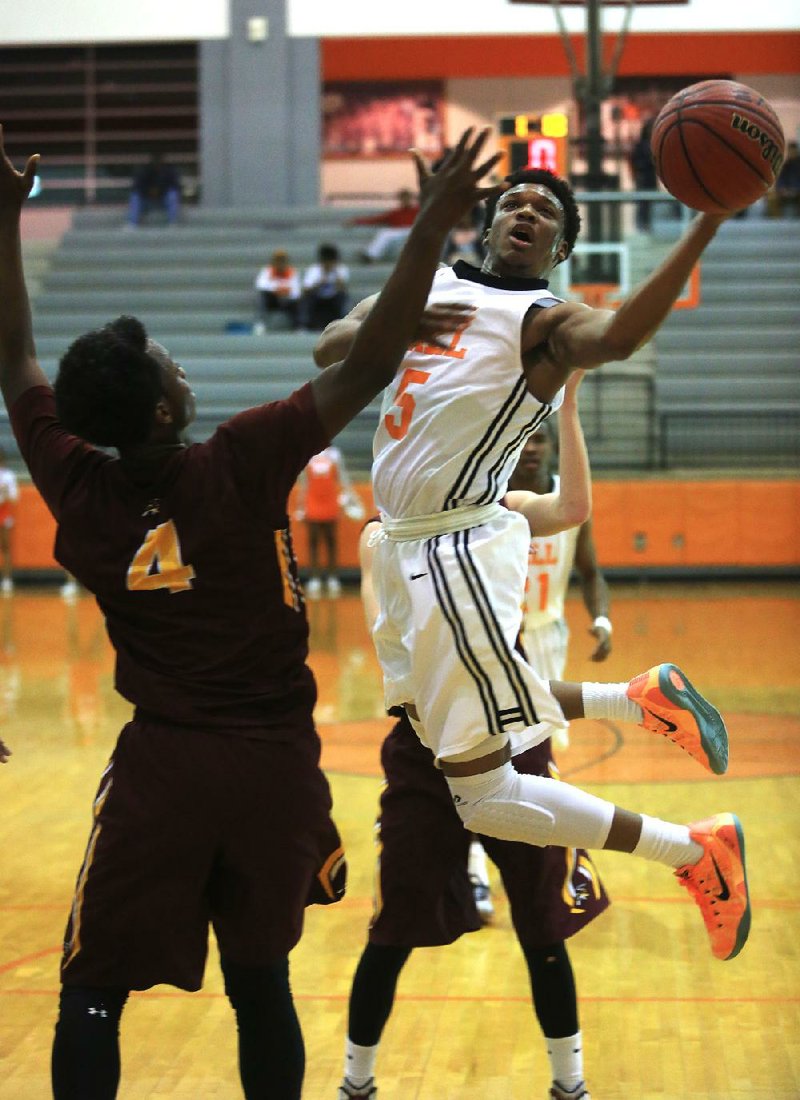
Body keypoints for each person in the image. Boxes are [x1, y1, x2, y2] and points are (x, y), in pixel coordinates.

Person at [0, 122, 503, 1100]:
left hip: (164, 764)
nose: (182, 368)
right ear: (158, 411)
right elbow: (370, 362)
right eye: (169, 367)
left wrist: (2, 221)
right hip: (271, 760)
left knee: (93, 993)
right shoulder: (240, 456)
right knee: (261, 981)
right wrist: (433, 225)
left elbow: (15, 352)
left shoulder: (76, 481)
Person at [314, 160, 751, 972]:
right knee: (442, 741)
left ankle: (695, 850)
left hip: (454, 545)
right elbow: (330, 345)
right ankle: (637, 701)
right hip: (397, 549)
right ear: (485, 223)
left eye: (545, 210)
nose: (525, 210)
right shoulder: (433, 286)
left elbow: (617, 338)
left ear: (559, 245)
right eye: (512, 200)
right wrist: (406, 313)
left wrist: (708, 221)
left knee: (481, 793)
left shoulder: (544, 320)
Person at [339, 374, 608, 1100]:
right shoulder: (381, 538)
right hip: (426, 749)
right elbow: (394, 649)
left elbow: (575, 508)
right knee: (392, 927)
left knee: (541, 926)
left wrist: (571, 403)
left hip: (511, 737)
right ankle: (354, 1083)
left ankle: (569, 1084)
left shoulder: (502, 509)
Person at [467, 417, 613, 922]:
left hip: (548, 639)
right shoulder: (492, 499)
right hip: (501, 642)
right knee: (485, 760)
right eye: (524, 439)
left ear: (553, 446)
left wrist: (600, 619)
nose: (532, 449)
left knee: (537, 762)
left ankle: (548, 862)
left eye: (541, 439)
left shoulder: (566, 503)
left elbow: (592, 572)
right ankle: (477, 872)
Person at [295, 444, 362, 598]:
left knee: (331, 540)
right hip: (312, 502)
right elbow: (305, 483)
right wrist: (301, 506)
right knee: (313, 541)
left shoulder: (335, 455)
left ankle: (332, 578)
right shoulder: (308, 454)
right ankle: (314, 578)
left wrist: (351, 498)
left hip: (330, 502)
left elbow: (343, 479)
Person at [350, 188, 420, 263]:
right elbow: (375, 219)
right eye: (402, 198)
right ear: (400, 199)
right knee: (385, 233)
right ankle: (370, 255)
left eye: (407, 198)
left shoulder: (418, 210)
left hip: (413, 230)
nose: (405, 200)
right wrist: (356, 221)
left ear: (410, 198)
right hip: (399, 231)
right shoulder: (395, 213)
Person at [301, 244, 350, 331]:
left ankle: (342, 325)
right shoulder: (314, 270)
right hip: (317, 297)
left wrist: (335, 274)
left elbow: (343, 288)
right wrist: (319, 283)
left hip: (333, 298)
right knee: (307, 299)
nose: (328, 264)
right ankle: (305, 325)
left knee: (342, 297)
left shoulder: (341, 269)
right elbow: (305, 290)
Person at [126, 153, 181, 228]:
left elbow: (175, 186)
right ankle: (132, 224)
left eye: (159, 162)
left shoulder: (169, 172)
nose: (157, 164)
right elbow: (137, 187)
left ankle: (173, 223)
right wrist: (149, 191)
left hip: (163, 200)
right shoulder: (144, 171)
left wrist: (160, 191)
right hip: (147, 201)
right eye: (155, 162)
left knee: (172, 195)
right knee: (135, 196)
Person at [254, 249, 302, 330]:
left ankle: (298, 326)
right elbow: (260, 285)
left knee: (299, 301)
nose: (280, 263)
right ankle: (261, 324)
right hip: (273, 300)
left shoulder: (292, 272)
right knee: (262, 297)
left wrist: (285, 293)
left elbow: (296, 291)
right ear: (274, 262)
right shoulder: (267, 271)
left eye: (282, 261)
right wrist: (277, 290)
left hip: (287, 300)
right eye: (278, 261)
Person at [629, 117, 658, 233]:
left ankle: (647, 223)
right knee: (642, 202)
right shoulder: (640, 145)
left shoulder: (653, 144)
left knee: (649, 202)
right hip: (643, 176)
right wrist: (635, 174)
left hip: (650, 176)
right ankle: (641, 224)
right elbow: (633, 161)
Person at [0, 445, 19, 594]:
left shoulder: (8, 476)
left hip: (4, 514)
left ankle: (7, 580)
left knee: (6, 547)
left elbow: (14, 498)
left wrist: (5, 493)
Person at [768, 141, 800, 218]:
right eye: (790, 151)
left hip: (797, 193)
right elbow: (780, 180)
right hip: (785, 192)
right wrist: (783, 189)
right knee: (772, 199)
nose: (791, 153)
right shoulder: (786, 165)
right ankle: (777, 223)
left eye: (793, 151)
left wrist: (795, 190)